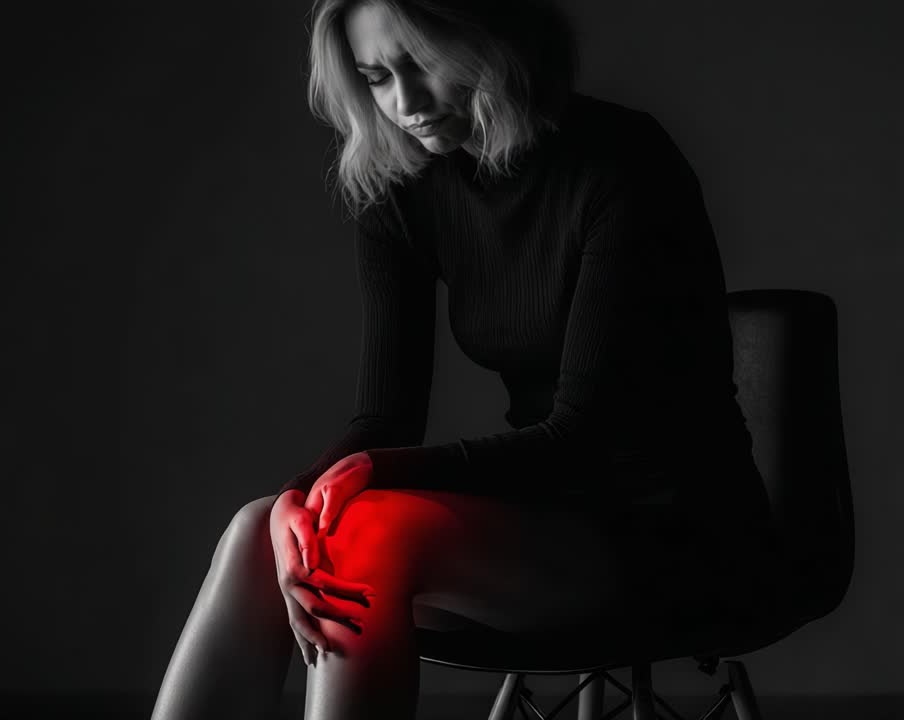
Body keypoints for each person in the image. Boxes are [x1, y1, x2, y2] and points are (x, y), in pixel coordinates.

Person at [151, 1, 783, 718]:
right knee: (258, 529)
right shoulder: (403, 188)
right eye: (376, 77)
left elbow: (582, 437)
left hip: (675, 532)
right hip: (539, 520)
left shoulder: (624, 163)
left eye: (421, 65)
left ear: (497, 40)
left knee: (370, 532)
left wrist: (368, 476)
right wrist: (301, 500)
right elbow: (384, 420)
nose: (405, 103)